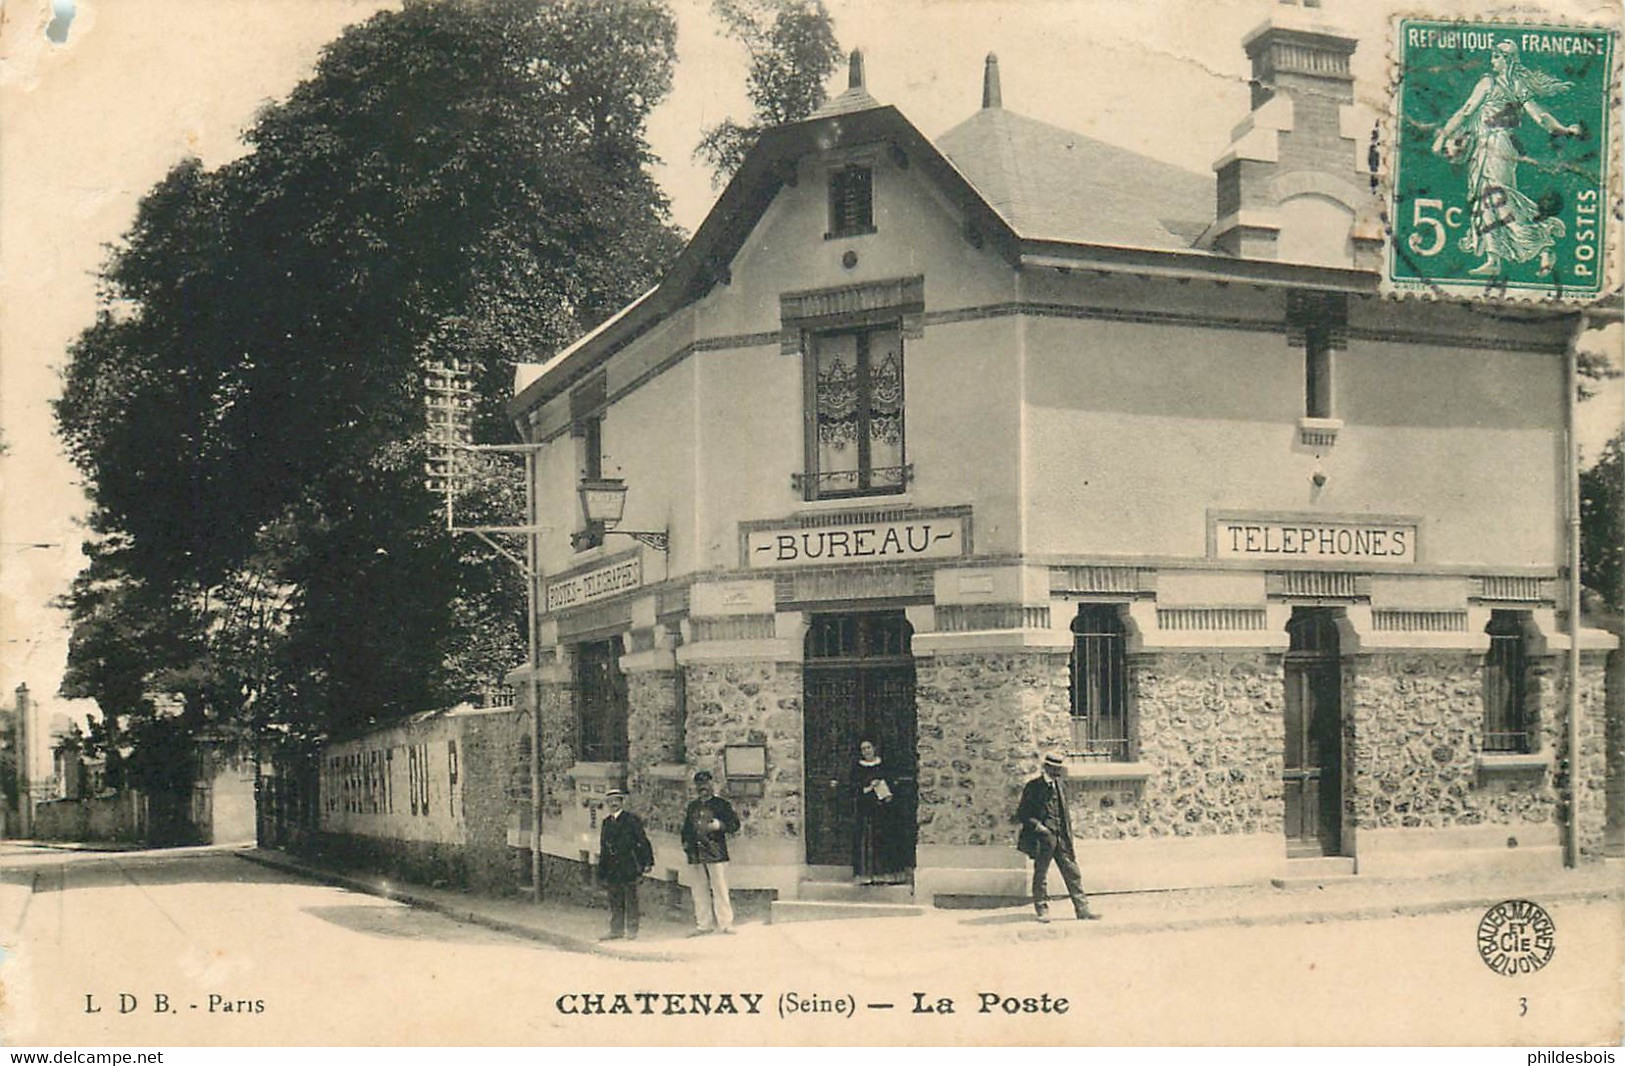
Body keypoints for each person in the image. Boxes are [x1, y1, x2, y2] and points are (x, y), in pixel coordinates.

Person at [1429, 40, 1581, 277]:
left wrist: (1443, 136)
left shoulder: (1489, 83)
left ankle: (1542, 241)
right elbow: (1541, 117)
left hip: (1495, 146)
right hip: (1494, 147)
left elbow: (1466, 110)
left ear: (1507, 59)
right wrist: (1563, 129)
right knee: (1486, 200)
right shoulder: (1517, 86)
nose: (1492, 62)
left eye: (1496, 57)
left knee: (1497, 197)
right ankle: (1495, 258)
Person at [1013, 752, 1100, 922]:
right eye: (1054, 769)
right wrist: (1041, 829)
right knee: (1041, 874)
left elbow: (1063, 812)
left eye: (1059, 769)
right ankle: (1042, 909)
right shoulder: (1033, 787)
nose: (1057, 772)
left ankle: (1082, 910)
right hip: (1043, 838)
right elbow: (1023, 814)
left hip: (1061, 837)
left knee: (1072, 872)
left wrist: (1066, 835)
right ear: (1046, 767)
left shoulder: (1061, 785)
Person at [680, 770, 740, 936]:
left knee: (720, 888)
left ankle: (725, 923)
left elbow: (734, 825)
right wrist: (686, 845)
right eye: (699, 785)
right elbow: (686, 829)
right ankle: (703, 924)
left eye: (706, 784)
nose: (703, 788)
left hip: (715, 852)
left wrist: (720, 825)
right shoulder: (693, 806)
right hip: (696, 853)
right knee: (699, 890)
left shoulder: (721, 805)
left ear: (712, 784)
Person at [596, 787, 653, 941]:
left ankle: (632, 929)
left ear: (621, 802)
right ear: (607, 804)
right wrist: (602, 870)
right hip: (612, 866)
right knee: (615, 898)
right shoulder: (606, 823)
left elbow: (642, 841)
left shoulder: (631, 820)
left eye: (616, 801)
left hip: (629, 864)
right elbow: (603, 847)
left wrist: (647, 862)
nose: (613, 804)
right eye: (610, 802)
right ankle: (616, 930)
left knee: (631, 898)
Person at [851, 738, 910, 886]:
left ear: (874, 749)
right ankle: (867, 875)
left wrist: (887, 791)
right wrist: (869, 786)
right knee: (868, 840)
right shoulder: (858, 768)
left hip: (883, 809)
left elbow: (892, 782)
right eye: (863, 749)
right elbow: (855, 786)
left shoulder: (883, 765)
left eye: (868, 748)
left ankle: (886, 874)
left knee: (884, 839)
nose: (866, 751)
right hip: (867, 809)